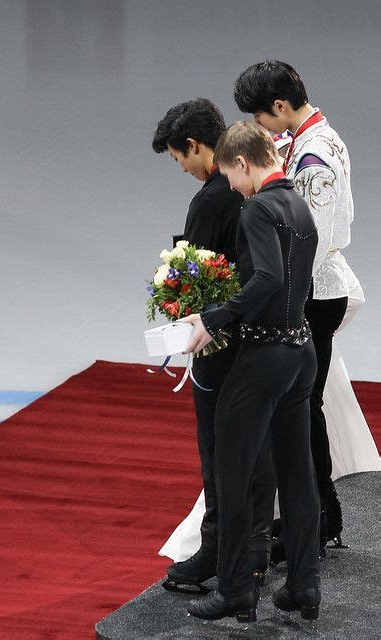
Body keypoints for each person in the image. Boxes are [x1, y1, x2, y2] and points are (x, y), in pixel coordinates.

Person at [181, 121, 321, 623]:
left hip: (263, 357)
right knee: (297, 472)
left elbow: (268, 277)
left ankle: (237, 588)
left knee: (232, 471)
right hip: (301, 352)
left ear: (242, 163)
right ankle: (304, 585)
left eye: (231, 176)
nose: (232, 188)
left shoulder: (259, 207)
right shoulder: (300, 204)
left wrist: (212, 317)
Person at [233, 59, 366, 550]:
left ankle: (318, 521)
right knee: (303, 408)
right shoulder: (312, 140)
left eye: (261, 117)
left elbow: (316, 237)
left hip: (313, 291)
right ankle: (316, 517)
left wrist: (274, 295)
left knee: (301, 410)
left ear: (282, 106)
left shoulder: (315, 156)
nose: (259, 127)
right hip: (311, 288)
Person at [151, 99, 276, 593]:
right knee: (260, 449)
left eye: (179, 157)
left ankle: (217, 554)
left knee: (220, 451)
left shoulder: (210, 200)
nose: (181, 166)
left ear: (196, 145)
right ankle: (259, 550)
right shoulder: (263, 186)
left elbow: (199, 279)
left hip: (221, 345)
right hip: (270, 337)